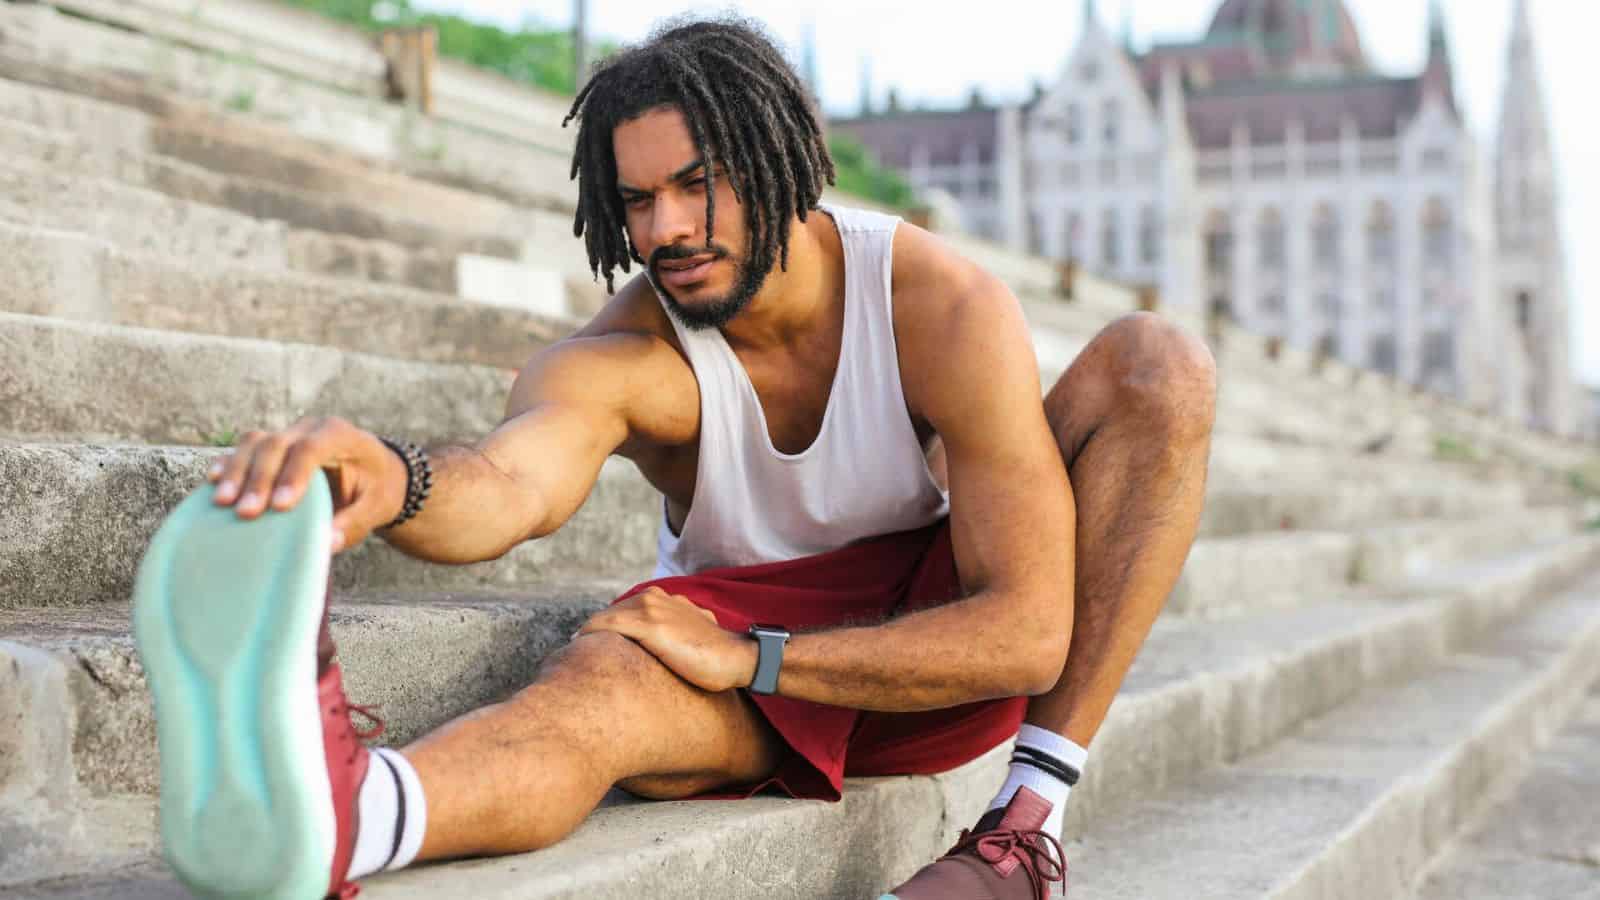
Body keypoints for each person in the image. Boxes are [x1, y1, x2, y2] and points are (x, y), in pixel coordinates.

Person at [133, 16, 1216, 900]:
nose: (668, 229)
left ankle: (1027, 826)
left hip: (931, 647)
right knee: (596, 688)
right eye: (639, 200)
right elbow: (515, 483)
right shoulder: (630, 350)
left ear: (781, 162)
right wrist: (393, 475)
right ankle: (349, 816)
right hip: (733, 629)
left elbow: (1025, 634)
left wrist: (761, 658)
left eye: (700, 185)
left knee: (1156, 366)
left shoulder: (935, 304)